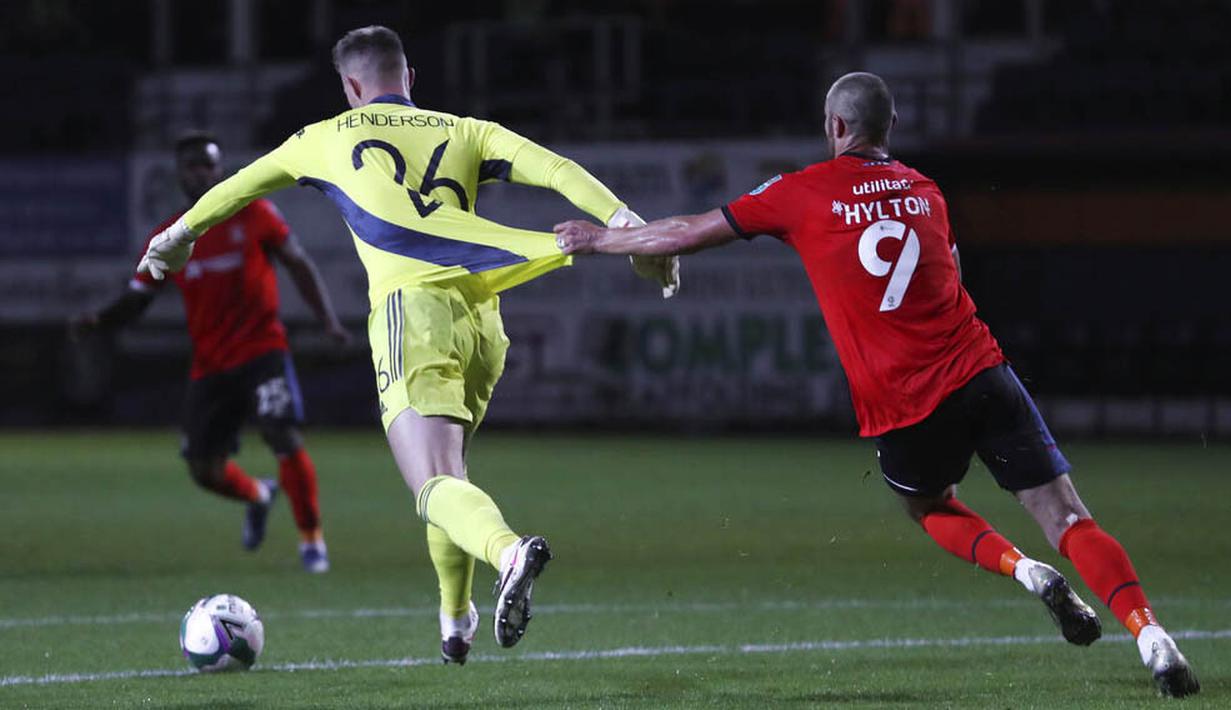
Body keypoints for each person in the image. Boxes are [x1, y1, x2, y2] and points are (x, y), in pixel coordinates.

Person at [553, 72, 1200, 698]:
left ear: (834, 126)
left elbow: (689, 232)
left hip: (903, 401)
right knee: (1066, 516)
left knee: (930, 506)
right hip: (982, 370)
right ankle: (1152, 636)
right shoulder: (927, 189)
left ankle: (1024, 570)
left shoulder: (801, 191)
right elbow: (950, 271)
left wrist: (599, 240)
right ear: (890, 125)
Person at [136, 26, 675, 664]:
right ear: (409, 77)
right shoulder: (467, 129)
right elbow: (556, 170)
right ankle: (456, 618)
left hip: (410, 314)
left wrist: (175, 236)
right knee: (452, 478)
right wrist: (627, 226)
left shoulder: (323, 137)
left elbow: (237, 188)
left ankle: (507, 554)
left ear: (350, 87)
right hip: (483, 321)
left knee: (431, 483)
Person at [72, 132, 350, 573]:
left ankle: (311, 541)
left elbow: (298, 262)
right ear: (180, 174)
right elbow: (139, 297)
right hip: (212, 364)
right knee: (204, 469)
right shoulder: (171, 236)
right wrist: (100, 321)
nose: (201, 172)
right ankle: (259, 495)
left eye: (208, 164)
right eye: (192, 166)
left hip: (263, 351)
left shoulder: (255, 213)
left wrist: (328, 321)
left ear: (219, 170)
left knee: (282, 434)